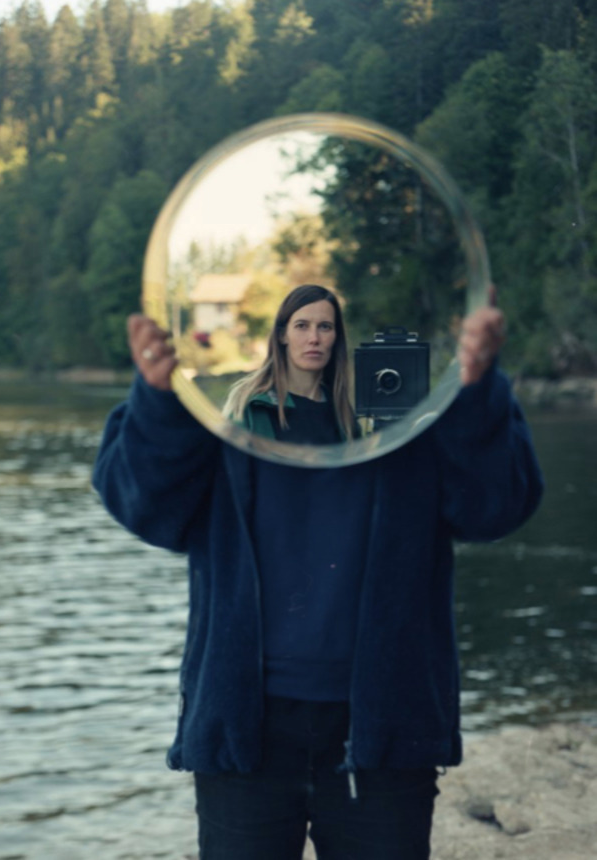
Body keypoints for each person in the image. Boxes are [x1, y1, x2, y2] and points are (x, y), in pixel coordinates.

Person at [92, 284, 543, 860]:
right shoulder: (228, 425)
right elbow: (141, 506)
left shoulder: (397, 427)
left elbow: (497, 507)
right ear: (281, 334)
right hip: (246, 729)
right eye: (301, 325)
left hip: (384, 731)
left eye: (325, 326)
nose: (314, 337)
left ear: (340, 338)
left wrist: (477, 392)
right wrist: (157, 404)